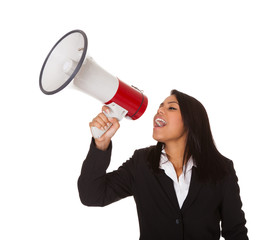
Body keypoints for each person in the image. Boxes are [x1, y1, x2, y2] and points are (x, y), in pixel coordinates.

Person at [78, 89, 248, 240]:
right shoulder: (141, 162)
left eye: (171, 107)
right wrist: (100, 144)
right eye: (160, 106)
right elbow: (92, 195)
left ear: (192, 122)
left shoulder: (222, 169)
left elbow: (236, 232)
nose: (159, 110)